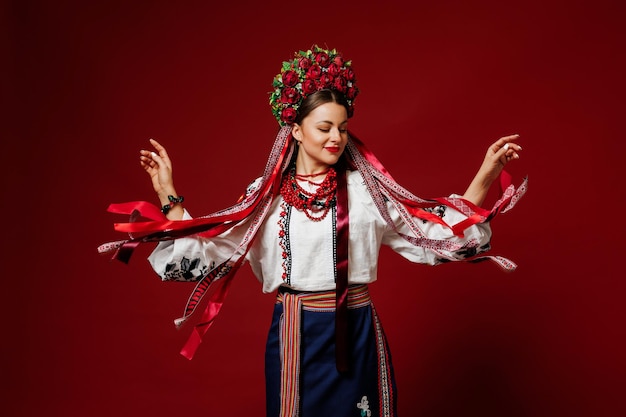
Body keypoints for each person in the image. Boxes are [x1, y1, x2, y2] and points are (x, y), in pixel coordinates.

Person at [100, 46, 526, 417]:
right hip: (296, 335)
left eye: (342, 128)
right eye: (324, 128)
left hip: (357, 331)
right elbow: (210, 249)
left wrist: (486, 175)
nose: (336, 138)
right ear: (296, 130)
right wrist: (168, 193)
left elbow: (435, 235)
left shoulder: (365, 191)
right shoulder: (266, 198)